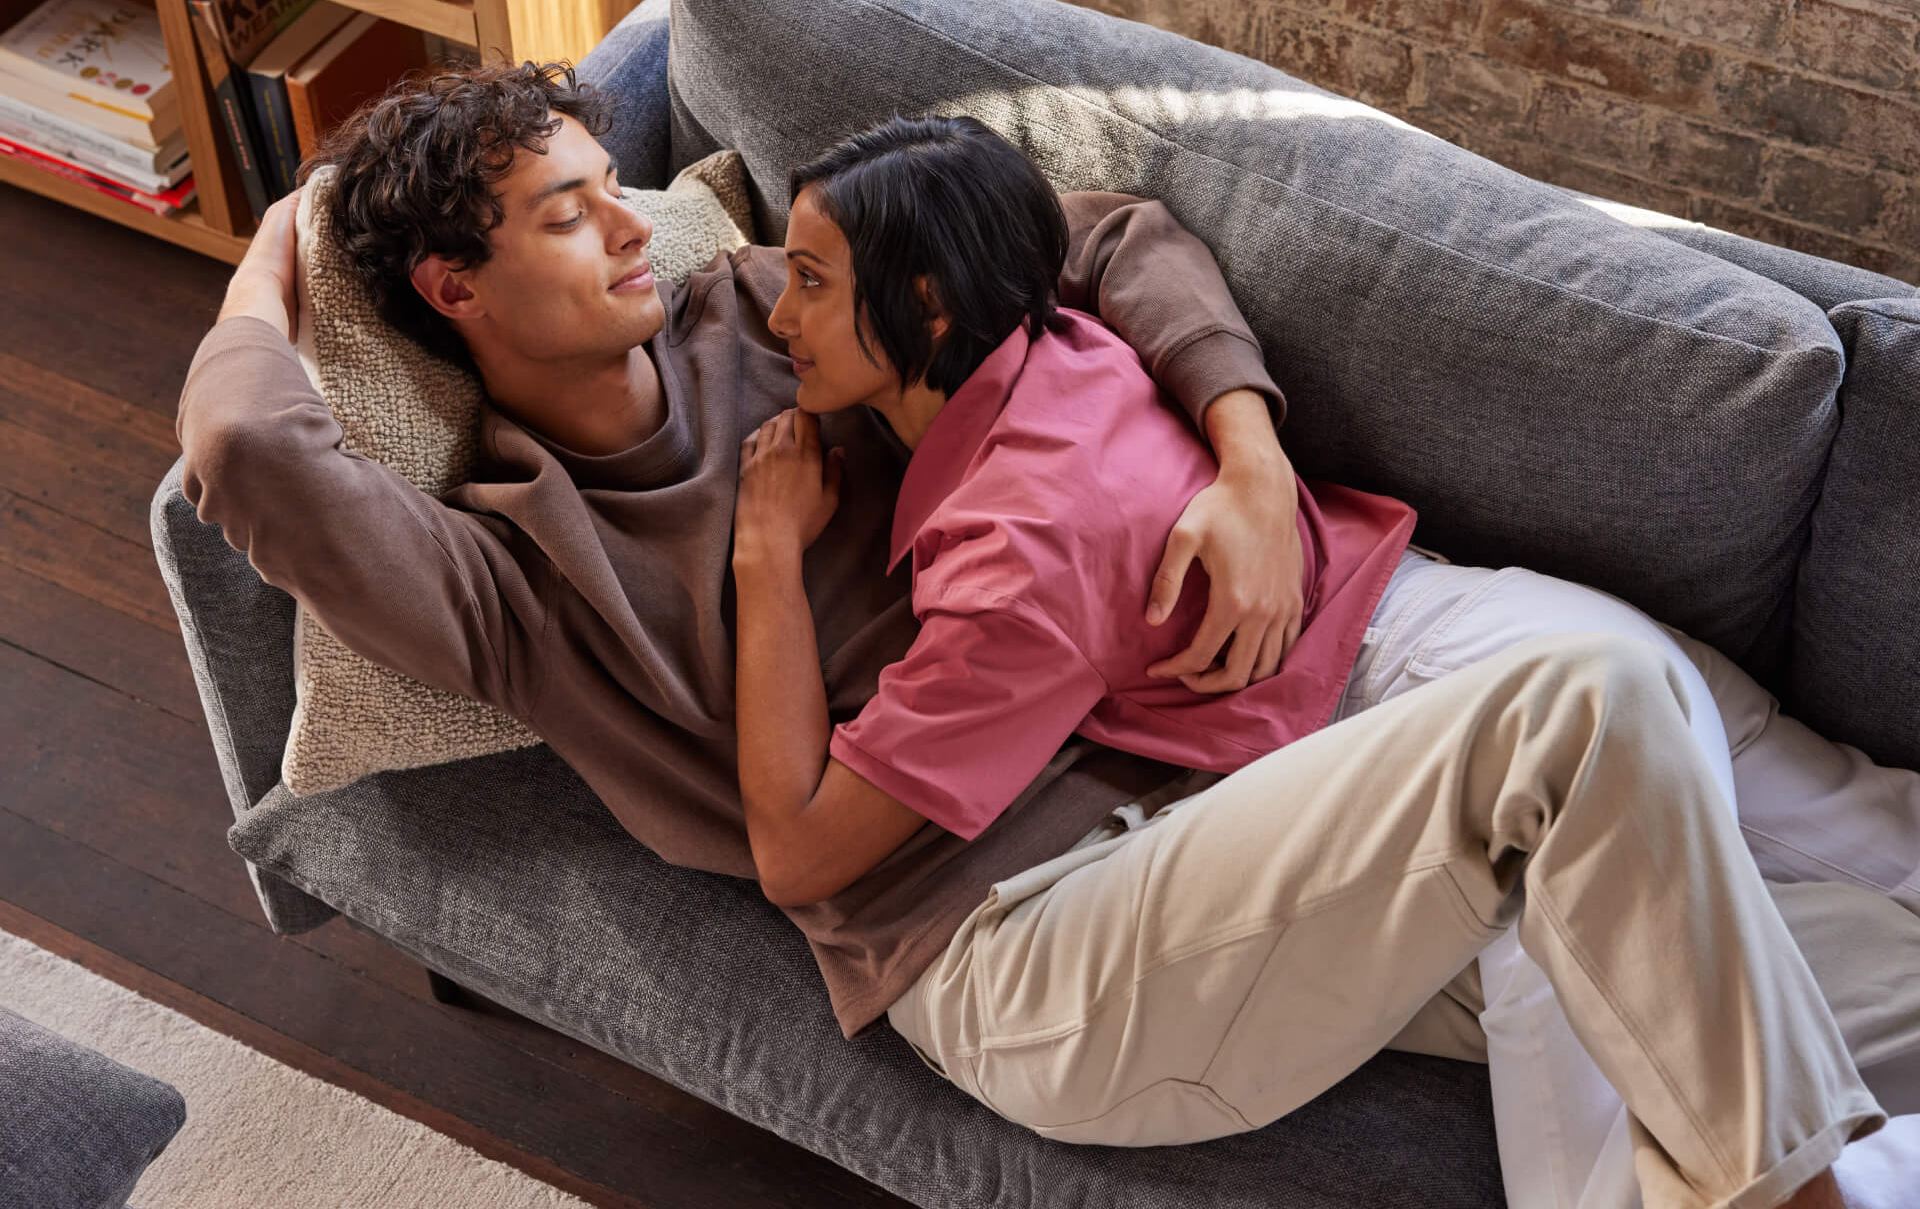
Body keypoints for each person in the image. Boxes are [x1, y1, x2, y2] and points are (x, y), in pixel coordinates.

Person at [728, 114, 1920, 1209]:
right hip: (1389, 726)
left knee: (1785, 857)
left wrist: (1248, 458)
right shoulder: (1018, 513)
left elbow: (1112, 222)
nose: (779, 315)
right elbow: (805, 852)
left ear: (934, 303)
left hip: (1399, 638)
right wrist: (767, 559)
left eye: (812, 281)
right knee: (1613, 786)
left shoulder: (1044, 341)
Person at [178, 60, 1318, 1061]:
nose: (632, 230)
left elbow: (1106, 235)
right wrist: (271, 258)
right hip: (1004, 907)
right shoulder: (514, 582)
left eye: (615, 191)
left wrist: (1249, 458)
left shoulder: (763, 302)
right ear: (454, 288)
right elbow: (245, 446)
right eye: (570, 217)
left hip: (1190, 746)